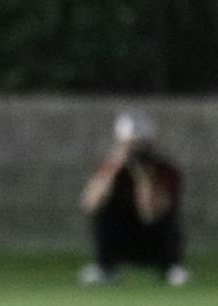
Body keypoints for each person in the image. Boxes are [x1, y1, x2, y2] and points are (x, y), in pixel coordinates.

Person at [79, 111, 189, 286]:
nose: (134, 150)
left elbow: (150, 213)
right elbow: (89, 204)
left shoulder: (165, 170)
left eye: (139, 144)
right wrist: (113, 167)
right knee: (105, 211)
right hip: (120, 238)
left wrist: (143, 177)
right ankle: (106, 268)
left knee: (166, 219)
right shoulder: (109, 168)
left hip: (152, 239)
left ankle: (170, 268)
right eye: (130, 145)